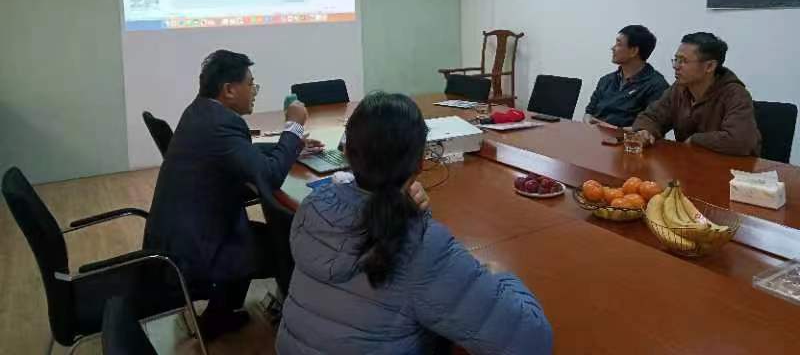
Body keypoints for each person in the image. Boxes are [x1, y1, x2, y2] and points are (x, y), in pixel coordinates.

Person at [277, 92, 553, 355]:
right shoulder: (421, 247)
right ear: (420, 163)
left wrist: (409, 211)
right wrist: (501, 275)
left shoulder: (314, 207)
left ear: (347, 152)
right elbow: (531, 340)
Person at [143, 50, 314, 339]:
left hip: (182, 237)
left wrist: (290, 147)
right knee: (286, 244)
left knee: (264, 232)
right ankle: (296, 327)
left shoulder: (201, 112)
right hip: (196, 252)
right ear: (229, 90)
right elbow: (270, 176)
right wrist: (294, 127)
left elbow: (239, 153)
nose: (254, 91)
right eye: (251, 84)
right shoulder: (222, 123)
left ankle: (219, 315)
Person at [633, 33, 761, 157]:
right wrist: (645, 131)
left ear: (709, 66)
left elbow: (740, 141)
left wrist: (695, 140)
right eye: (676, 59)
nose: (676, 66)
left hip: (731, 167)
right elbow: (652, 116)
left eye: (683, 61)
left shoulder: (735, 94)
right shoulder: (679, 88)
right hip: (690, 162)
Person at [584, 25, 669, 128]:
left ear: (634, 51)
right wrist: (588, 123)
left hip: (623, 138)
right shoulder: (606, 80)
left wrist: (612, 129)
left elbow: (651, 127)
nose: (613, 48)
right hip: (594, 134)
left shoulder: (656, 85)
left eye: (618, 44)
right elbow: (589, 112)